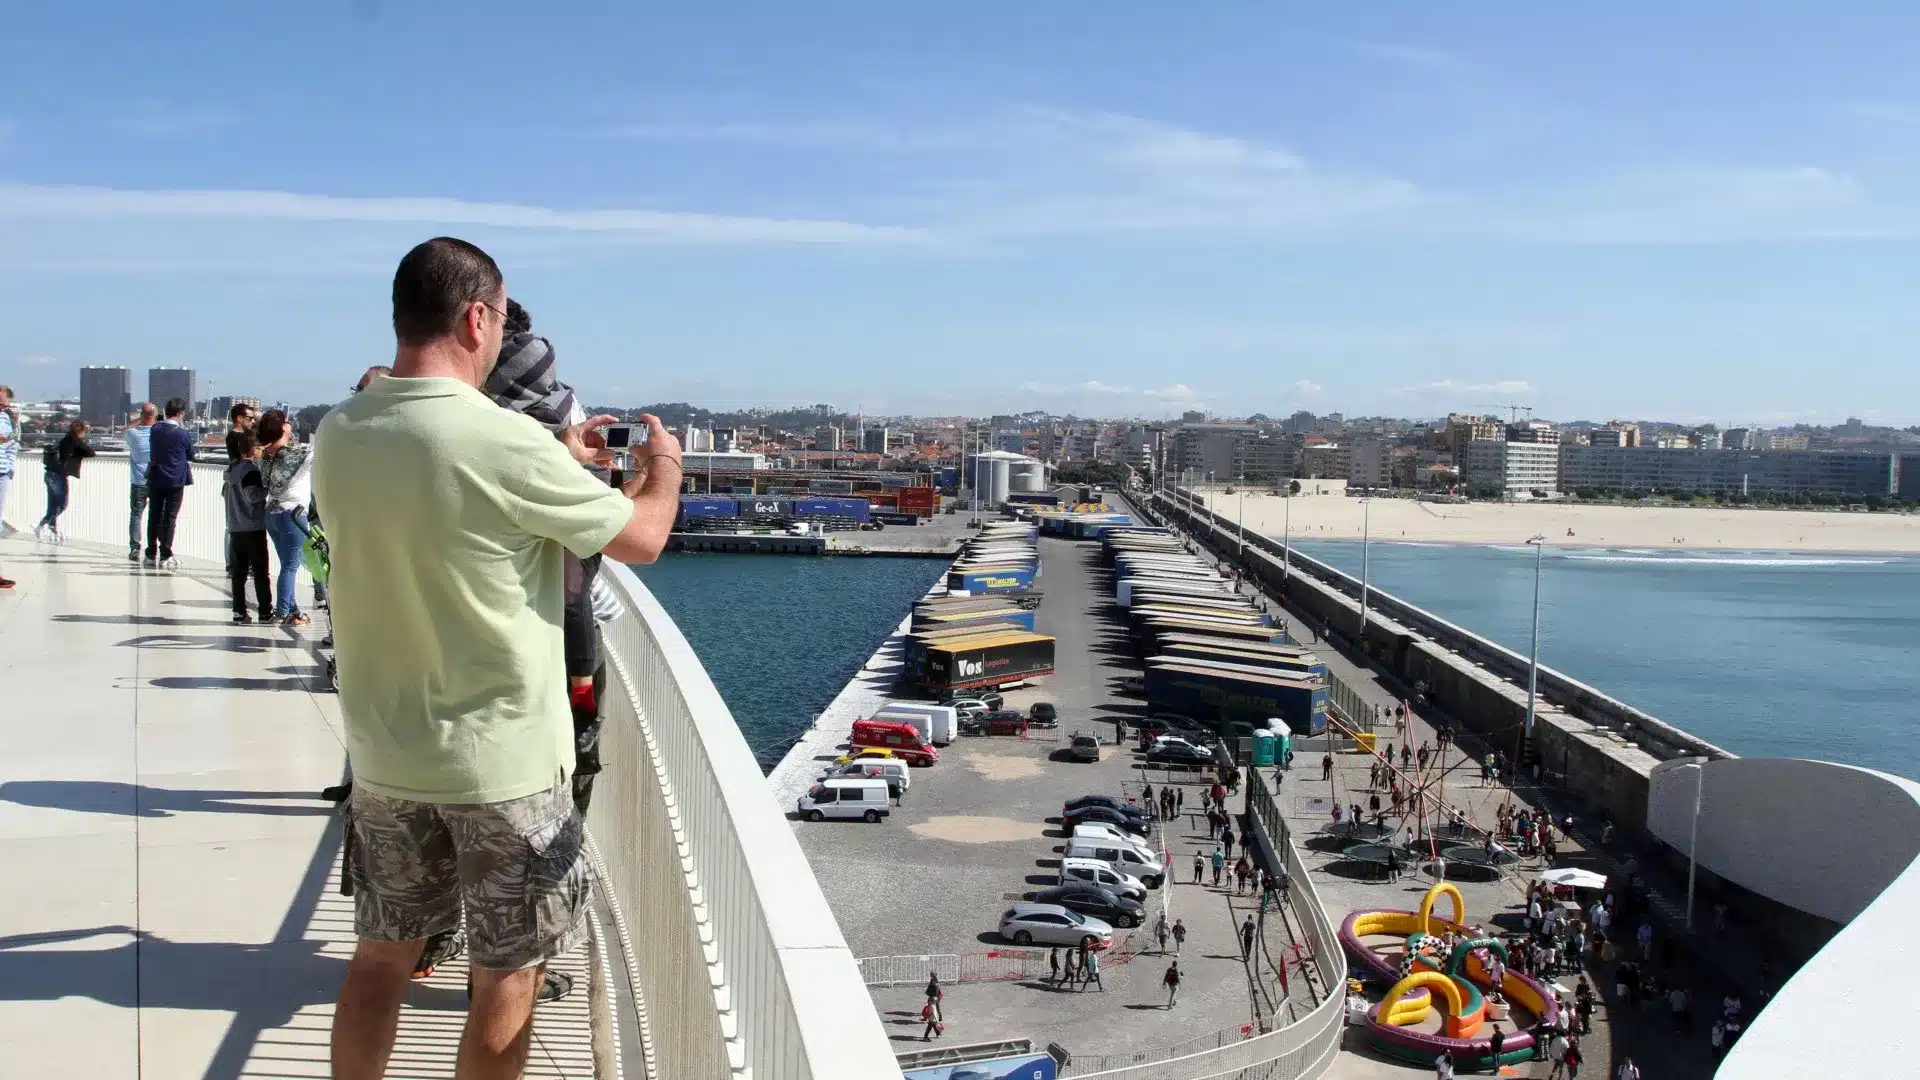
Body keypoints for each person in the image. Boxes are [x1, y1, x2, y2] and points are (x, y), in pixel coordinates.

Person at [317, 238, 682, 1080]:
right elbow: (646, 538)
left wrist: (563, 464)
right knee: (507, 973)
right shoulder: (501, 440)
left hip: (384, 754)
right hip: (502, 766)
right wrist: (661, 463)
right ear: (478, 317)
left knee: (380, 961)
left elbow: (449, 498)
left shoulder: (341, 433)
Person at [256, 410, 316, 626]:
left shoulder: (266, 455)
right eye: (286, 422)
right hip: (293, 513)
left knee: (286, 564)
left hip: (272, 513)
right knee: (290, 566)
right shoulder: (298, 453)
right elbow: (318, 454)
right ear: (281, 427)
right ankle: (283, 611)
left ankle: (293, 610)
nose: (289, 424)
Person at [223, 431, 273, 623]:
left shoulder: (231, 471)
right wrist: (268, 490)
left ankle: (239, 611)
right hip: (253, 527)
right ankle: (265, 611)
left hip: (235, 527)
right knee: (261, 572)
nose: (262, 452)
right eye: (260, 448)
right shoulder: (251, 471)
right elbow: (252, 496)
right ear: (253, 450)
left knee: (239, 573)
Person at [144, 398, 196, 569]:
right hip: (176, 479)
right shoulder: (183, 434)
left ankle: (151, 552)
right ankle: (166, 553)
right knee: (170, 516)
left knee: (154, 514)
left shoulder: (155, 429)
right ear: (181, 413)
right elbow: (190, 454)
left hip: (156, 476)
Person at [35, 419, 97, 541]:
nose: (85, 434)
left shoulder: (65, 440)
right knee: (62, 505)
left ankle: (49, 528)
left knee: (52, 505)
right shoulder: (75, 442)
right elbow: (91, 452)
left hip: (50, 474)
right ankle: (45, 525)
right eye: (84, 431)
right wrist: (81, 442)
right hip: (59, 476)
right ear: (80, 432)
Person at [124, 402, 157, 560]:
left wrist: (138, 420)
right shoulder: (159, 434)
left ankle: (135, 548)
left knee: (136, 514)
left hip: (138, 481)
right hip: (157, 480)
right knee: (155, 515)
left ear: (141, 416)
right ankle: (153, 548)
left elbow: (124, 430)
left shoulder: (133, 434)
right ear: (155, 415)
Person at [0, 385, 15, 589]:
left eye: (6, 406)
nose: (3, 408)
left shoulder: (5, 418)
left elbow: (12, 443)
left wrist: (11, 467)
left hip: (2, 472)